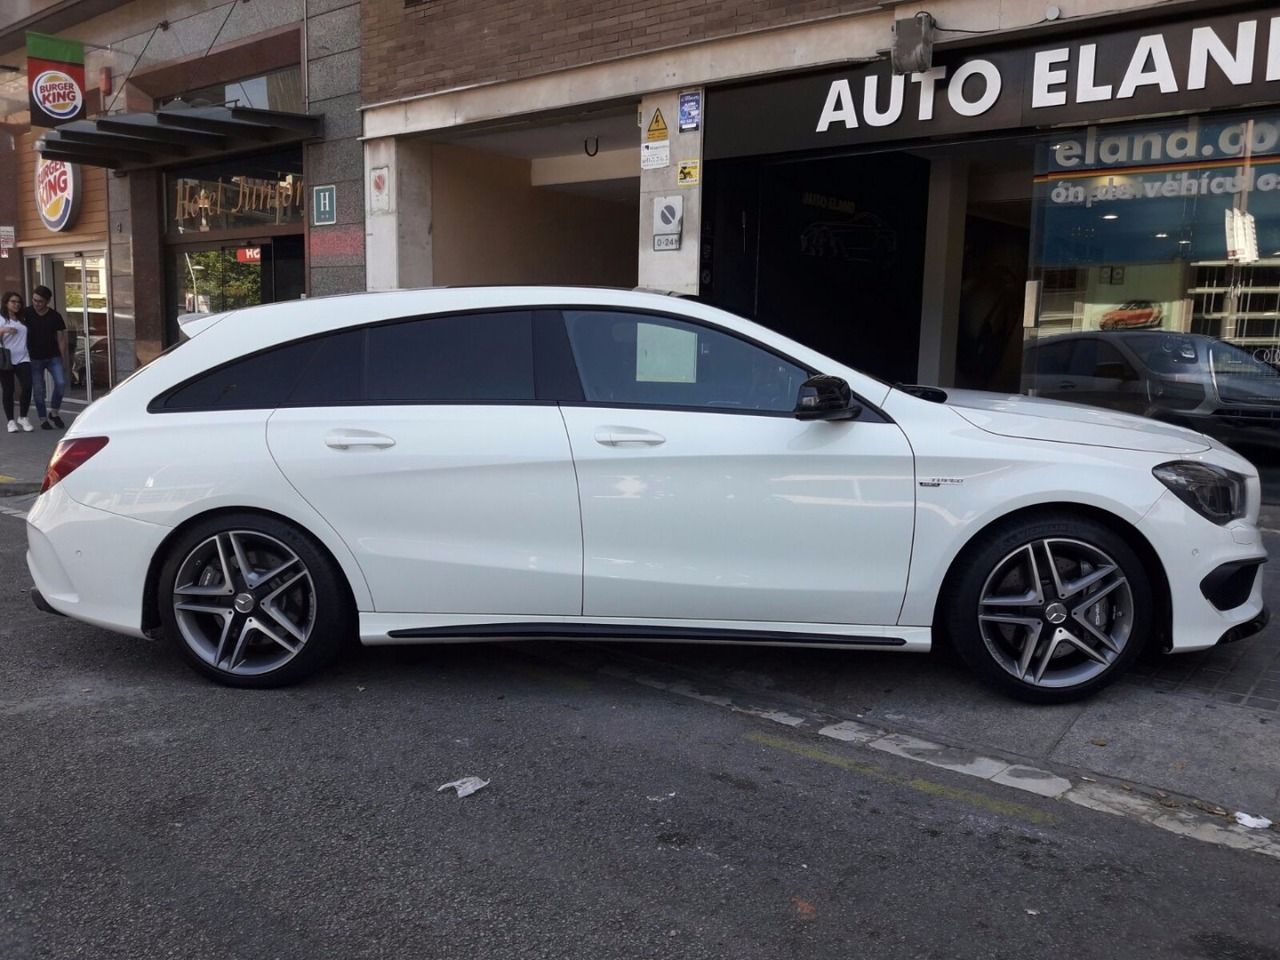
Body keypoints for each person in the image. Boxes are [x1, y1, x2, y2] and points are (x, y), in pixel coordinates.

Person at [23, 284, 68, 429]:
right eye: (34, 300)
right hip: (34, 358)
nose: (36, 304)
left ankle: (54, 413)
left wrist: (62, 358)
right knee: (38, 390)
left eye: (40, 301)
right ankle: (43, 419)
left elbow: (61, 338)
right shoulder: (26, 313)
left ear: (48, 301)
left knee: (61, 383)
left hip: (53, 356)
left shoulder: (55, 316)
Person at [0, 292, 34, 433]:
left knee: (27, 386)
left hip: (23, 357)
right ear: (6, 303)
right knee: (9, 390)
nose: (16, 304)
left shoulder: (23, 318)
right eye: (13, 301)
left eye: (19, 302)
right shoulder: (1, 318)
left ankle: (23, 417)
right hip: (6, 358)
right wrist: (4, 330)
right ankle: (10, 421)